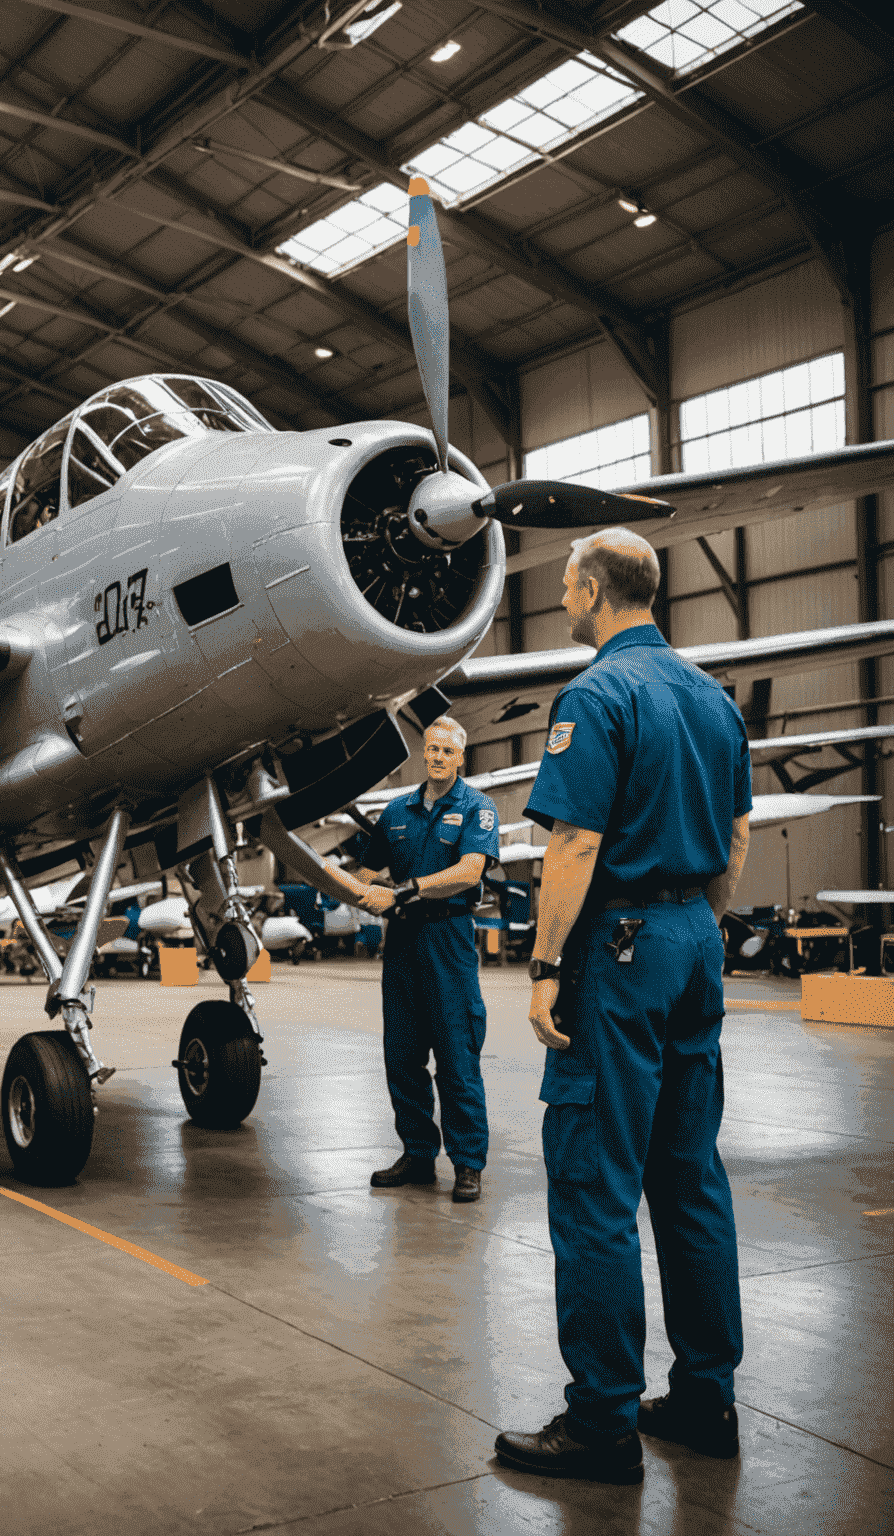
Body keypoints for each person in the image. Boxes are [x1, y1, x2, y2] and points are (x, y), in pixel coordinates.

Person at [494, 528, 752, 1485]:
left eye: (567, 588)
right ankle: (704, 1398)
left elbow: (572, 845)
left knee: (595, 1183)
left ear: (597, 590)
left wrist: (547, 962)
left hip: (622, 948)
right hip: (694, 942)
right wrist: (701, 930)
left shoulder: (597, 695)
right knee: (689, 1177)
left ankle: (601, 1421)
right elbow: (735, 843)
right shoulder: (711, 700)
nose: (563, 603)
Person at [356, 717, 499, 1203]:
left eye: (447, 751)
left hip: (447, 937)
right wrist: (352, 886)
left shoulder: (478, 809)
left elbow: (469, 871)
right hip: (401, 943)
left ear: (461, 758)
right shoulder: (396, 811)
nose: (437, 757)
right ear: (424, 753)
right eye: (431, 749)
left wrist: (412, 887)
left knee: (458, 1057)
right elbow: (370, 871)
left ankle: (467, 1163)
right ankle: (418, 1154)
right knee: (402, 1055)